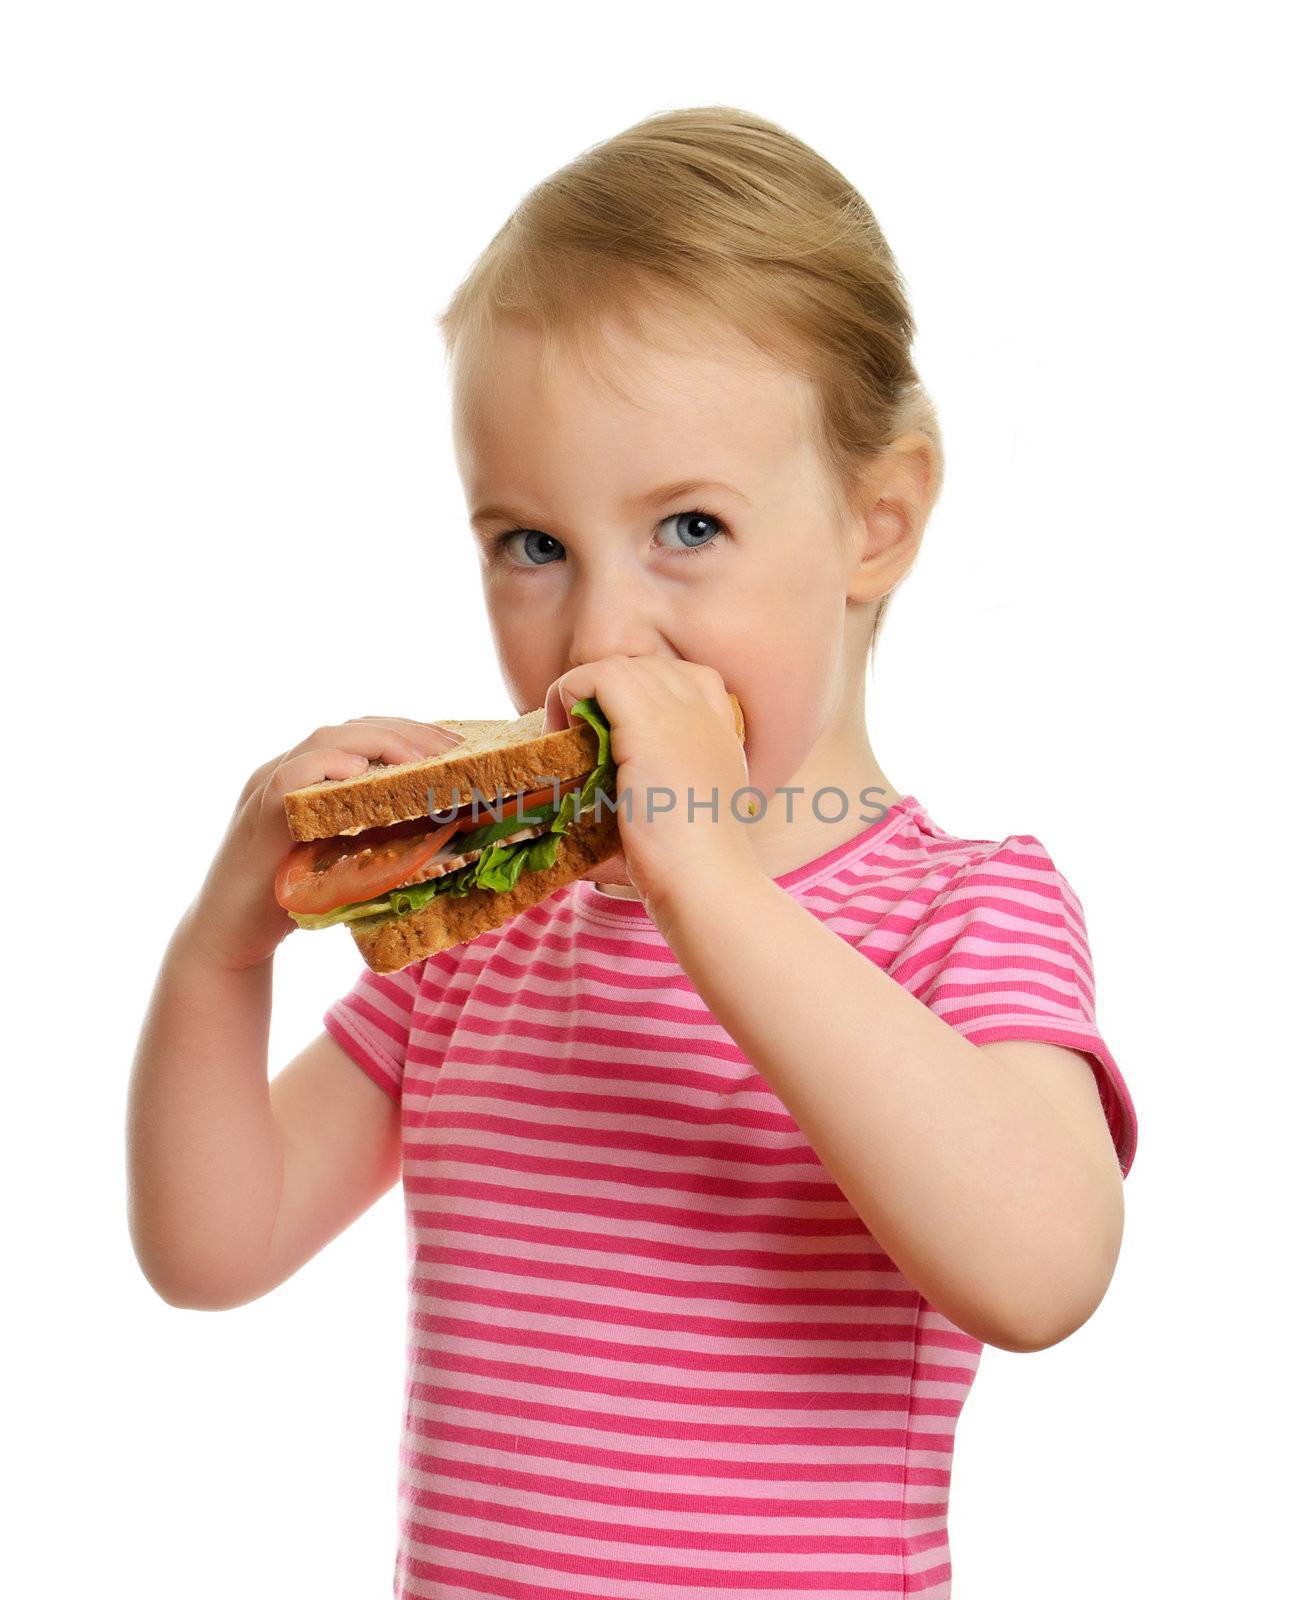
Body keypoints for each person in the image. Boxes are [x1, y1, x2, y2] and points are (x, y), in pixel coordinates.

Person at [127, 105, 1139, 1599]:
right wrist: (226, 945)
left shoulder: (962, 915)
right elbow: (212, 1246)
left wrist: (710, 878)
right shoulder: (481, 934)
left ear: (878, 523)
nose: (597, 637)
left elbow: (1044, 1270)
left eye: (688, 527)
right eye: (531, 545)